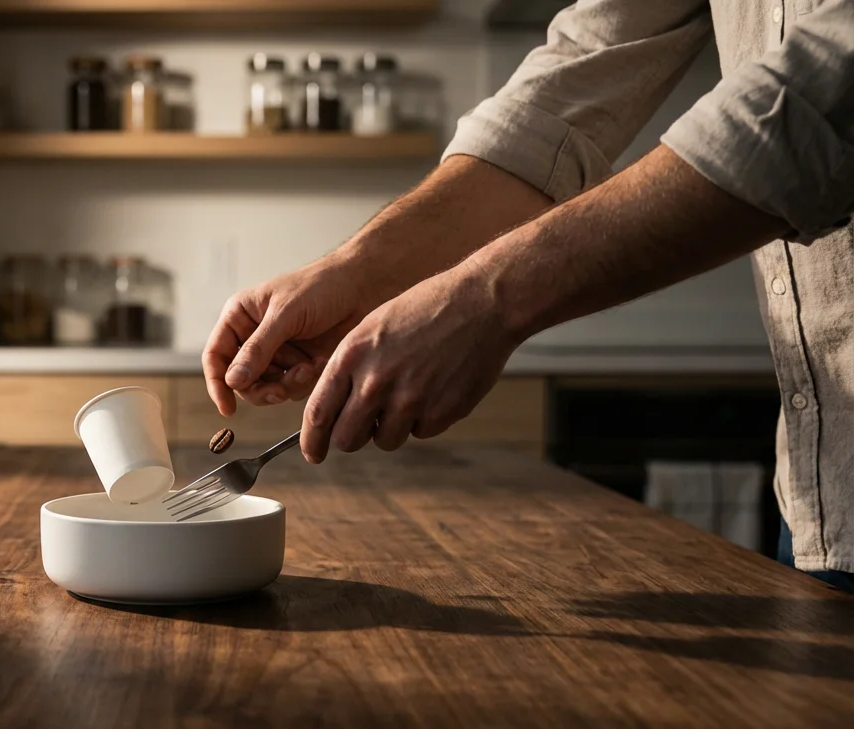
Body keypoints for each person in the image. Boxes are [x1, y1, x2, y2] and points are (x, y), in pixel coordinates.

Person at [202, 1, 854, 590]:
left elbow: (827, 92)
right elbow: (574, 80)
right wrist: (357, 271)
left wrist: (485, 300)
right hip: (824, 498)